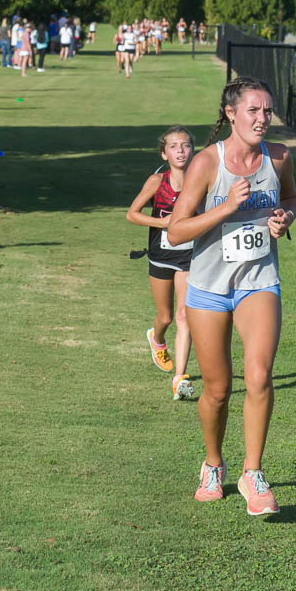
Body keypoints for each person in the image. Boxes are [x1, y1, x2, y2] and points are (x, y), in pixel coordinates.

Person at [167, 77, 296, 516]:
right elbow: (176, 230)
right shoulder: (207, 163)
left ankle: (253, 472)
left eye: (267, 111)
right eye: (253, 111)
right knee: (218, 390)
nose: (263, 119)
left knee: (259, 375)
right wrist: (225, 208)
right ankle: (213, 463)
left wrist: (283, 218)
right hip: (208, 286)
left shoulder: (278, 157)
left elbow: (292, 200)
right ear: (231, 114)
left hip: (259, 279)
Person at [126, 126, 196, 400]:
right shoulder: (157, 182)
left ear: (192, 151)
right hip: (160, 255)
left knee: (184, 315)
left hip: (189, 256)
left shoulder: (200, 180)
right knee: (166, 317)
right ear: (164, 153)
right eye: (174, 146)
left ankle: (180, 377)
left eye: (186, 145)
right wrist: (163, 222)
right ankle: (157, 339)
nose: (180, 150)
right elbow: (132, 214)